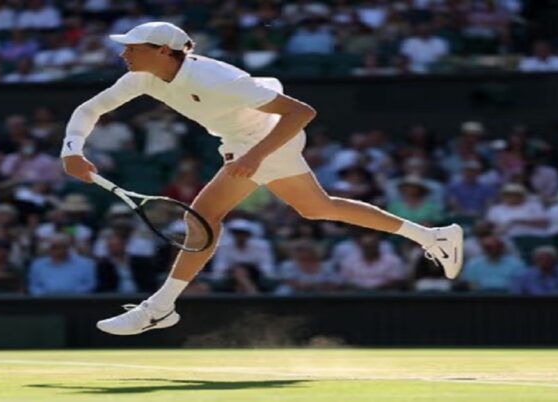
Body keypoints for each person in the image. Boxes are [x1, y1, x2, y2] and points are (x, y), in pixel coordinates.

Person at [60, 21, 463, 336]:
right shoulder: (141, 78)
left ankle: (160, 307)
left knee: (201, 218)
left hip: (267, 135)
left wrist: (255, 156)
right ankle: (433, 236)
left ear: (164, 52)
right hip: (241, 138)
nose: (124, 53)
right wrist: (72, 150)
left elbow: (301, 112)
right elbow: (89, 109)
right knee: (317, 207)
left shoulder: (218, 79)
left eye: (132, 47)